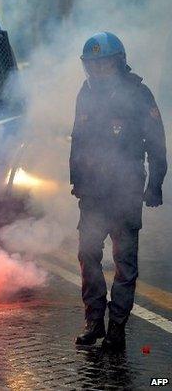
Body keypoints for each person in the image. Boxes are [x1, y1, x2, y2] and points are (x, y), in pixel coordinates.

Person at [71, 32, 167, 350]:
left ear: (118, 61)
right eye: (92, 65)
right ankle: (94, 321)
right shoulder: (85, 93)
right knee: (87, 255)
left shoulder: (139, 94)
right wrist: (77, 180)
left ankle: (117, 329)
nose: (97, 70)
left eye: (103, 63)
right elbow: (78, 140)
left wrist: (155, 185)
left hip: (125, 191)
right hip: (93, 193)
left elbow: (156, 144)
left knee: (124, 263)